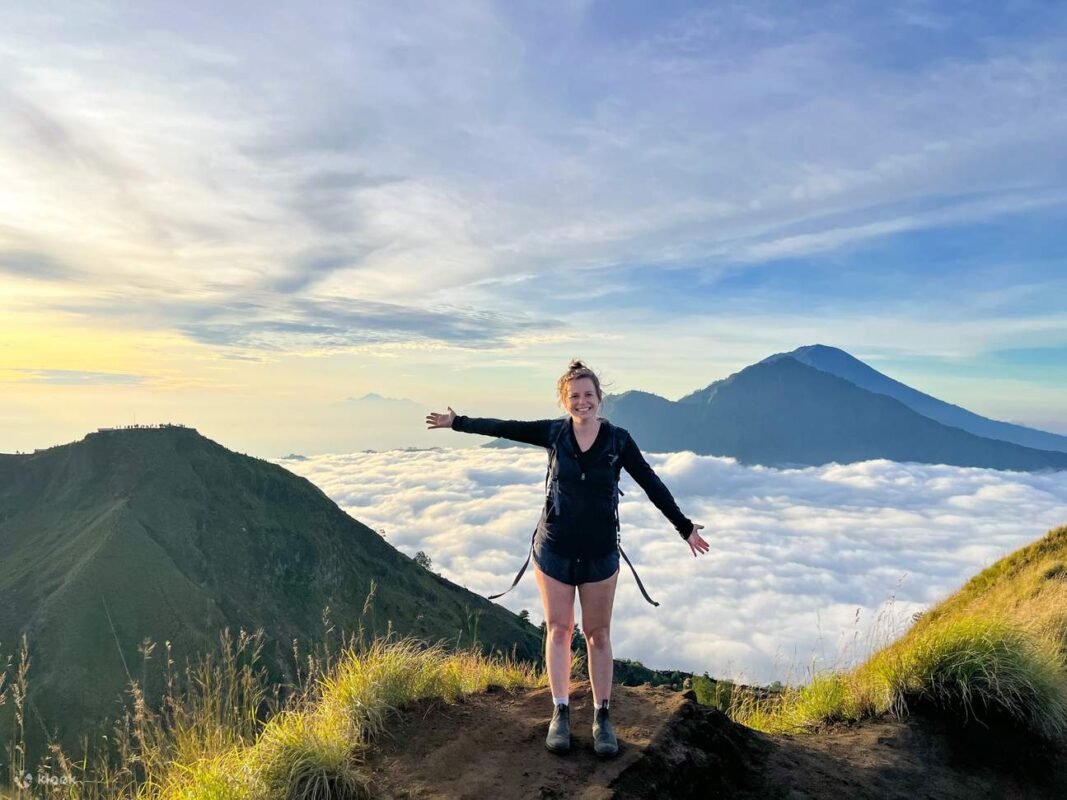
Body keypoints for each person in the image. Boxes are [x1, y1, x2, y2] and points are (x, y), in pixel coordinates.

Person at [425, 359, 709, 758]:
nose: (582, 402)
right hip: (554, 549)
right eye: (574, 396)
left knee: (598, 634)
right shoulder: (554, 433)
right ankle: (560, 712)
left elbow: (651, 483)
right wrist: (458, 422)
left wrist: (685, 527)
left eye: (588, 395)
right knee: (559, 629)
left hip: (600, 553)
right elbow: (505, 428)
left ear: (600, 398)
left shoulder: (619, 440)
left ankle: (602, 716)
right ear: (564, 400)